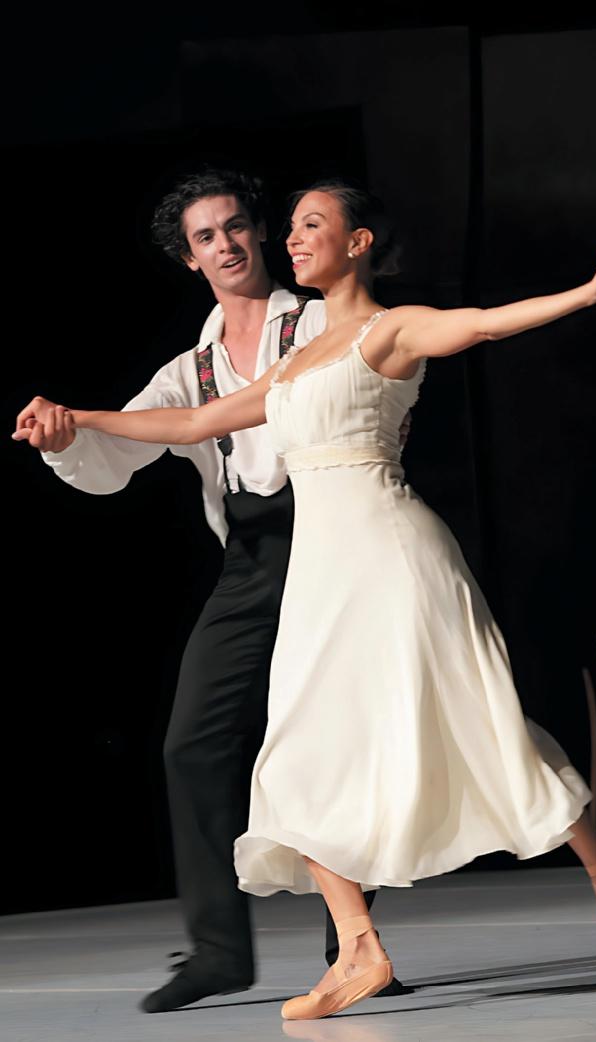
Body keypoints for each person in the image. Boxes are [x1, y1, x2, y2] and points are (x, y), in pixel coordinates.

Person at [16, 182, 596, 1020]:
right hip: (315, 575)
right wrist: (75, 416)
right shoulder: (289, 363)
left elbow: (481, 323)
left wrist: (589, 292)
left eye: (309, 225)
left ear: (358, 243)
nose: (290, 239)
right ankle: (358, 947)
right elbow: (191, 425)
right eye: (289, 226)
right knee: (297, 756)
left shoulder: (387, 329)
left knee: (488, 726)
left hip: (393, 553)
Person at [13, 169, 406, 1014]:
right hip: (253, 557)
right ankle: (219, 950)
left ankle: (353, 947)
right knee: (191, 742)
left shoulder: (318, 320)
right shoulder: (188, 370)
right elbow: (122, 452)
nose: (225, 245)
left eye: (234, 227)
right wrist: (66, 435)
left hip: (333, 532)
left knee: (338, 741)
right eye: (205, 237)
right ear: (189, 259)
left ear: (258, 233)